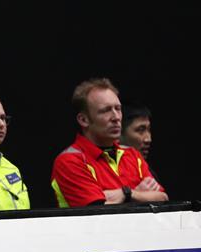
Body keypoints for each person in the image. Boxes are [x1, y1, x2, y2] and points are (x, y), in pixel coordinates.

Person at [51, 78, 167, 208]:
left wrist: (127, 193)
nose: (116, 117)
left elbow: (163, 198)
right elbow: (100, 213)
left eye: (118, 109)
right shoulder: (70, 161)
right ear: (83, 120)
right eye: (106, 110)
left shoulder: (133, 155)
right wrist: (141, 195)